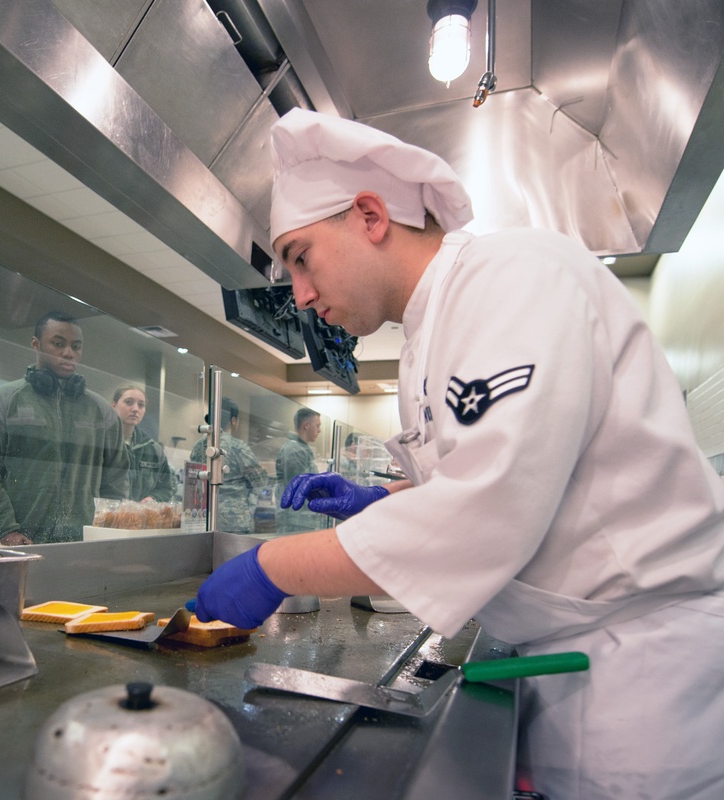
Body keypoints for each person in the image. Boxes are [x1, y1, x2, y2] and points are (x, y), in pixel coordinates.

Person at [193, 108, 724, 799]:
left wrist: (272, 566)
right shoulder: (426, 341)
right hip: (574, 661)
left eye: (301, 256)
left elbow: (488, 507)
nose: (300, 294)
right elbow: (491, 478)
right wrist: (380, 500)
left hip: (644, 686)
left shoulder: (513, 279)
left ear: (370, 215)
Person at [0, 311, 129, 544]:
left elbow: (116, 481)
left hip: (85, 545)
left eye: (76, 346)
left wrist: (107, 531)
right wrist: (6, 530)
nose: (68, 353)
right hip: (18, 542)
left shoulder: (102, 413)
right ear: (36, 344)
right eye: (58, 343)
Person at [190, 397, 270, 533]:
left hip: (203, 518)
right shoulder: (238, 446)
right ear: (234, 421)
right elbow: (260, 480)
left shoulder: (198, 446)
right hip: (235, 521)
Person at [111, 385, 176, 502]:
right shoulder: (101, 442)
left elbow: (166, 489)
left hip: (140, 518)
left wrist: (153, 498)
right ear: (113, 405)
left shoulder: (152, 449)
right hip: (105, 516)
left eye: (141, 405)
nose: (135, 409)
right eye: (129, 402)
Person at [274, 407, 324, 532]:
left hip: (301, 518)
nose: (319, 430)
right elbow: (301, 487)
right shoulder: (294, 450)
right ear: (306, 425)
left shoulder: (301, 449)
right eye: (317, 426)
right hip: (294, 520)